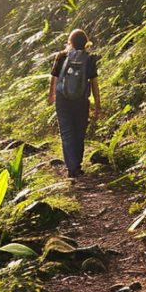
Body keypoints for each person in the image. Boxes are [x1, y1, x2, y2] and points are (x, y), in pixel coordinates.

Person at [49, 28, 101, 179]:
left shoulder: (61, 56)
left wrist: (51, 96)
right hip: (81, 99)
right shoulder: (89, 59)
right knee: (79, 132)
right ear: (86, 43)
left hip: (62, 99)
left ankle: (71, 168)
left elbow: (54, 78)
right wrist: (97, 106)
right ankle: (76, 166)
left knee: (67, 132)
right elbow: (94, 84)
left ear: (69, 42)